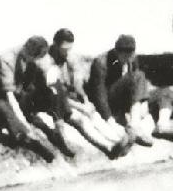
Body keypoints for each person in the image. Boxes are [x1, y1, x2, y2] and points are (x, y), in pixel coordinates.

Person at [47, 28, 131, 158]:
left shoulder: (70, 58)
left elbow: (77, 84)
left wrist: (85, 101)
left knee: (93, 114)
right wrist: (80, 107)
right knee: (81, 120)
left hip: (68, 97)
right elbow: (56, 93)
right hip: (54, 100)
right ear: (56, 45)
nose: (67, 52)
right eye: (64, 49)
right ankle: (108, 147)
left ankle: (118, 140)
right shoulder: (48, 63)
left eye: (69, 49)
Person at [0, 34, 77, 158]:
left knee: (54, 89)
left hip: (21, 96)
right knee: (23, 129)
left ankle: (59, 143)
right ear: (29, 52)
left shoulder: (32, 59)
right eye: (36, 58)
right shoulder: (6, 60)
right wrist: (23, 122)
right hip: (2, 99)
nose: (37, 61)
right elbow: (10, 97)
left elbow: (41, 84)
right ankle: (45, 154)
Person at [88, 33, 160, 147]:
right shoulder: (101, 62)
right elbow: (99, 95)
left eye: (130, 56)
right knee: (139, 76)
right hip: (108, 97)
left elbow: (134, 83)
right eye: (125, 57)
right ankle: (134, 126)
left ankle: (136, 125)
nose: (127, 60)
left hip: (123, 98)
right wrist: (109, 120)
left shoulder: (132, 59)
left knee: (144, 80)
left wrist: (142, 103)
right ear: (117, 52)